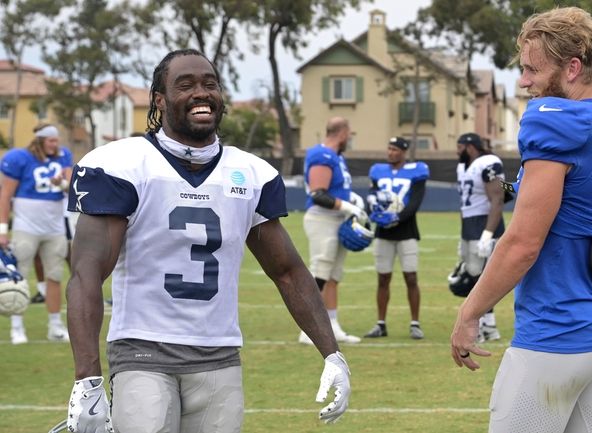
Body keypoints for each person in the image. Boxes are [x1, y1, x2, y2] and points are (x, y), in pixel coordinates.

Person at [64, 49, 350, 433]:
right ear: (160, 100)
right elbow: (85, 275)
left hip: (219, 355)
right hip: (143, 351)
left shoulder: (249, 173)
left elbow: (288, 271)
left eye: (209, 84)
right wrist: (87, 379)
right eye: (186, 85)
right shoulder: (125, 165)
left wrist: (332, 354)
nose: (201, 92)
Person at [450, 7, 592, 432]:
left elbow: (523, 243)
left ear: (572, 68)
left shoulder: (559, 123)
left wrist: (470, 312)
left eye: (531, 69)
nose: (524, 81)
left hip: (557, 336)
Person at [0, 123, 72, 344]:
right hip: (26, 225)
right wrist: (2, 229)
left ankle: (55, 326)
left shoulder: (63, 156)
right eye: (51, 140)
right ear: (40, 140)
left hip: (54, 226)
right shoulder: (20, 158)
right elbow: (5, 195)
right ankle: (17, 328)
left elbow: (72, 189)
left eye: (56, 140)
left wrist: (60, 183)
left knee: (55, 276)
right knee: (18, 277)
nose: (55, 144)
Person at [300, 116, 367, 345]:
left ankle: (332, 325)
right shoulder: (322, 154)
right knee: (320, 272)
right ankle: (308, 328)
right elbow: (318, 194)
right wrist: (348, 206)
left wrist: (352, 200)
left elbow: (336, 189)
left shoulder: (337, 157)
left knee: (333, 276)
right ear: (343, 133)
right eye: (349, 133)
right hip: (322, 220)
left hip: (337, 219)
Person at [363, 137, 429, 339]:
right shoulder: (377, 171)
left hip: (407, 230)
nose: (390, 152)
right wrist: (373, 215)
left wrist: (397, 217)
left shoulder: (417, 171)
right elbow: (372, 198)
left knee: (411, 277)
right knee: (383, 278)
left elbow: (415, 202)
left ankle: (415, 324)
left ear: (403, 151)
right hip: (383, 231)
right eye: (389, 148)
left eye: (394, 149)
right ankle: (380, 324)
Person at [450, 132, 506, 343]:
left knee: (481, 279)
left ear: (470, 147)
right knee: (474, 275)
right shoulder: (463, 166)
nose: (457, 151)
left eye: (459, 147)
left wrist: (488, 234)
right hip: (469, 224)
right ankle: (489, 326)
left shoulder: (489, 163)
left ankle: (481, 326)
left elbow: (499, 198)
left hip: (484, 223)